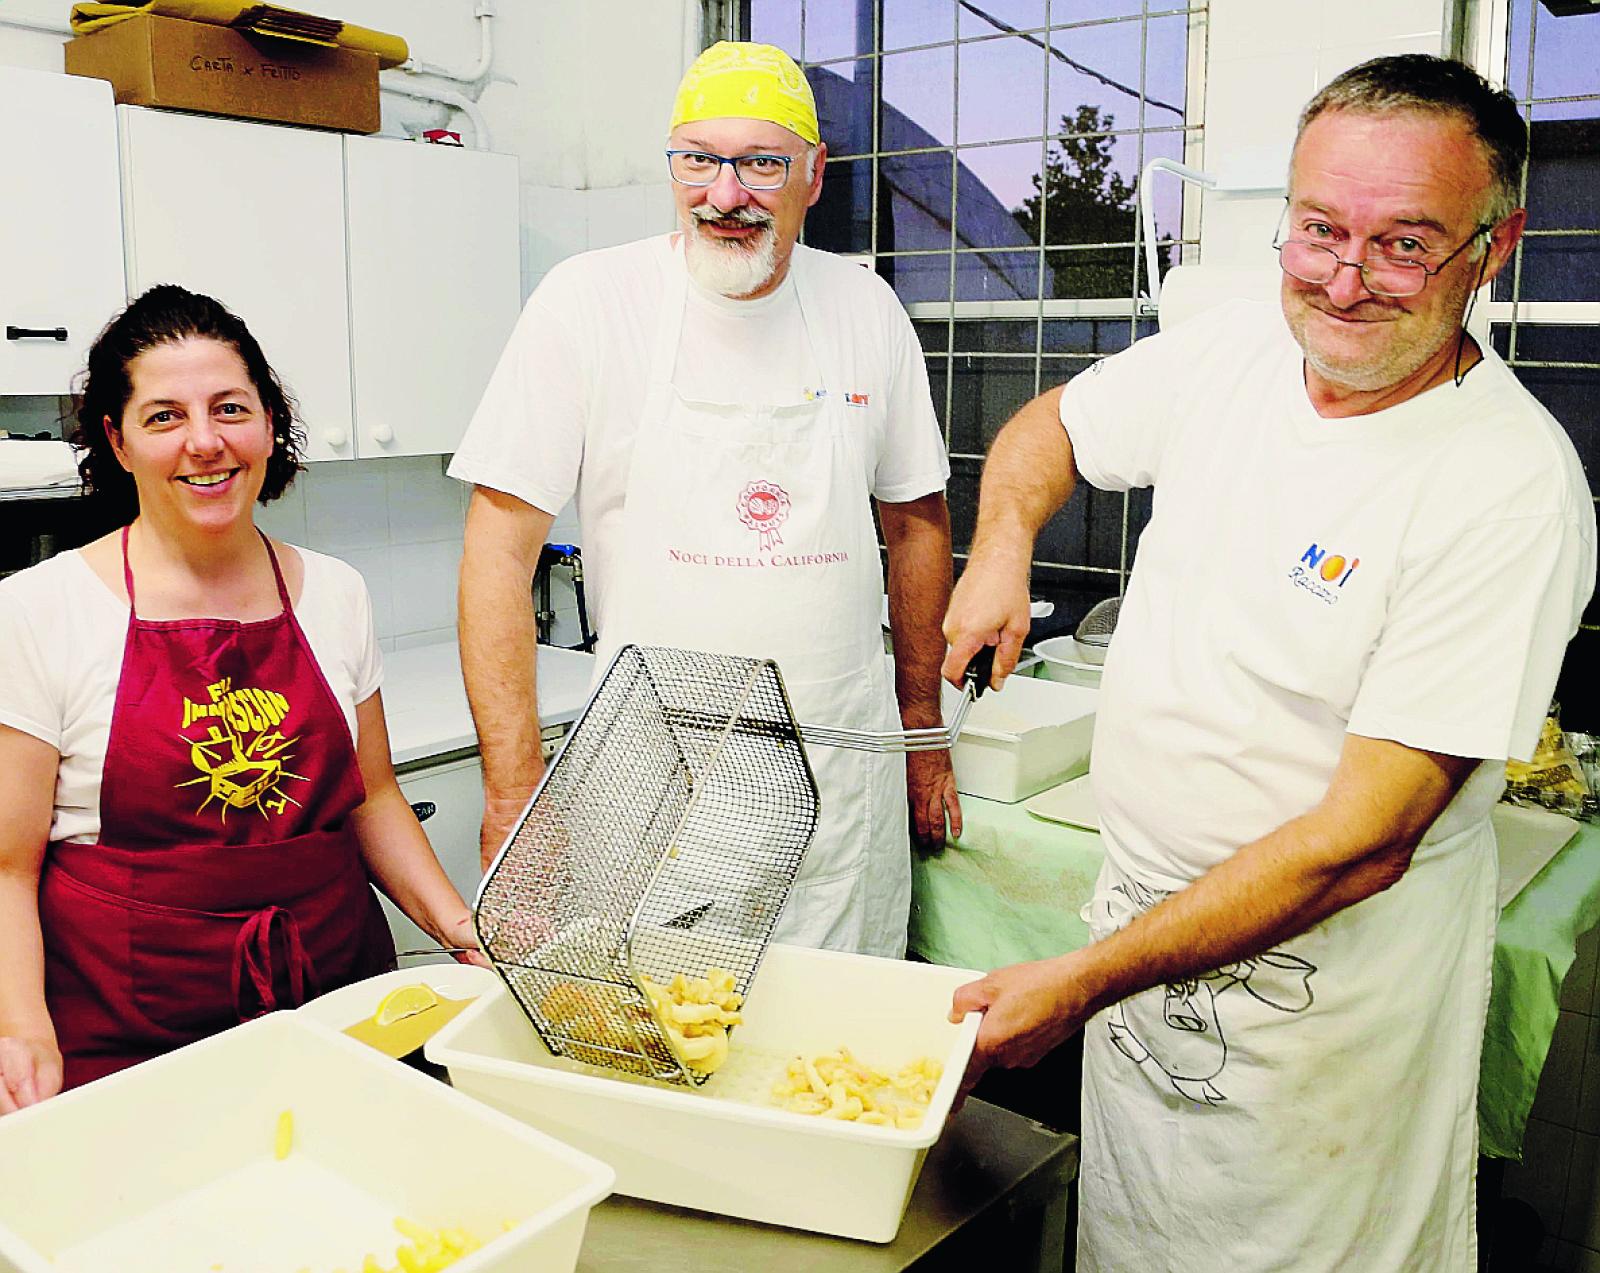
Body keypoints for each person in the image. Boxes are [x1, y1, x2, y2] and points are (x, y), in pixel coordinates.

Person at [941, 55, 1596, 1270]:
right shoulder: (1232, 355)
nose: (1343, 281)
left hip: (1323, 1024)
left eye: (1403, 244)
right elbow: (1051, 430)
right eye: (1316, 230)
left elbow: (1364, 838)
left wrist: (1080, 980)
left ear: (1490, 250)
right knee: (1135, 1240)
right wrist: (998, 548)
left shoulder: (1503, 487)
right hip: (1148, 963)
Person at [451, 42, 958, 957]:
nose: (725, 194)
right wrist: (513, 793)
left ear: (814, 176)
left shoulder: (865, 307)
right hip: (660, 780)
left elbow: (917, 522)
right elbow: (497, 551)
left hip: (839, 768)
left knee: (834, 1060)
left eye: (762, 163)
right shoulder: (592, 302)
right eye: (699, 159)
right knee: (662, 1047)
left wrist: (922, 732)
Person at [0, 286, 483, 1111]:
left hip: (338, 1005)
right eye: (164, 416)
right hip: (128, 1038)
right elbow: (10, 863)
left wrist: (460, 927)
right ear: (116, 441)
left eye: (231, 407)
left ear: (269, 423)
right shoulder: (41, 610)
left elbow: (372, 796)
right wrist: (22, 1030)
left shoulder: (336, 593)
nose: (205, 442)